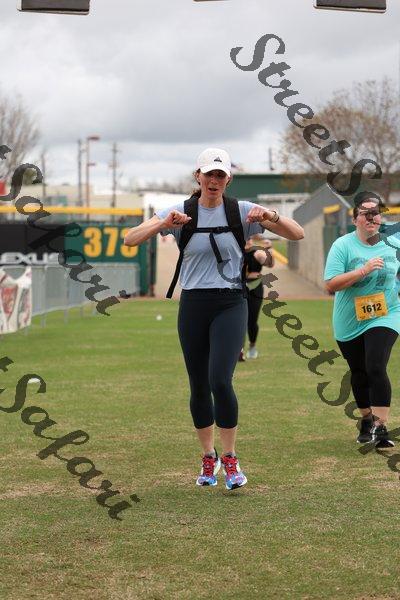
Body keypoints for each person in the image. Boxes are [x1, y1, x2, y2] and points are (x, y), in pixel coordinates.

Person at [124, 148, 304, 489]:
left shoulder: (242, 211)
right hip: (193, 304)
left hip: (231, 302)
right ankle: (209, 457)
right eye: (209, 174)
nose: (214, 180)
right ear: (198, 176)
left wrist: (271, 215)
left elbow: (297, 233)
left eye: (220, 175)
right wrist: (164, 223)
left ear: (228, 179)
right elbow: (129, 239)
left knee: (220, 380)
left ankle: (231, 458)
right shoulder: (180, 211)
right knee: (198, 385)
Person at [324, 197, 400, 448]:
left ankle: (381, 427)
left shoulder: (394, 241)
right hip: (350, 318)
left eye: (375, 212)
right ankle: (367, 419)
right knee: (359, 372)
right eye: (365, 212)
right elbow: (331, 284)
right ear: (354, 218)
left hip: (386, 313)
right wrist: (363, 270)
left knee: (375, 365)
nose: (371, 217)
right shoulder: (342, 245)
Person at [239, 235, 274, 360]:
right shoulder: (236, 252)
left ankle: (252, 346)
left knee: (252, 320)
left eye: (249, 239)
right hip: (239, 287)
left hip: (255, 287)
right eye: (245, 239)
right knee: (238, 319)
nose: (247, 241)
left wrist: (269, 250)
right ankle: (239, 349)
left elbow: (269, 264)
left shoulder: (257, 253)